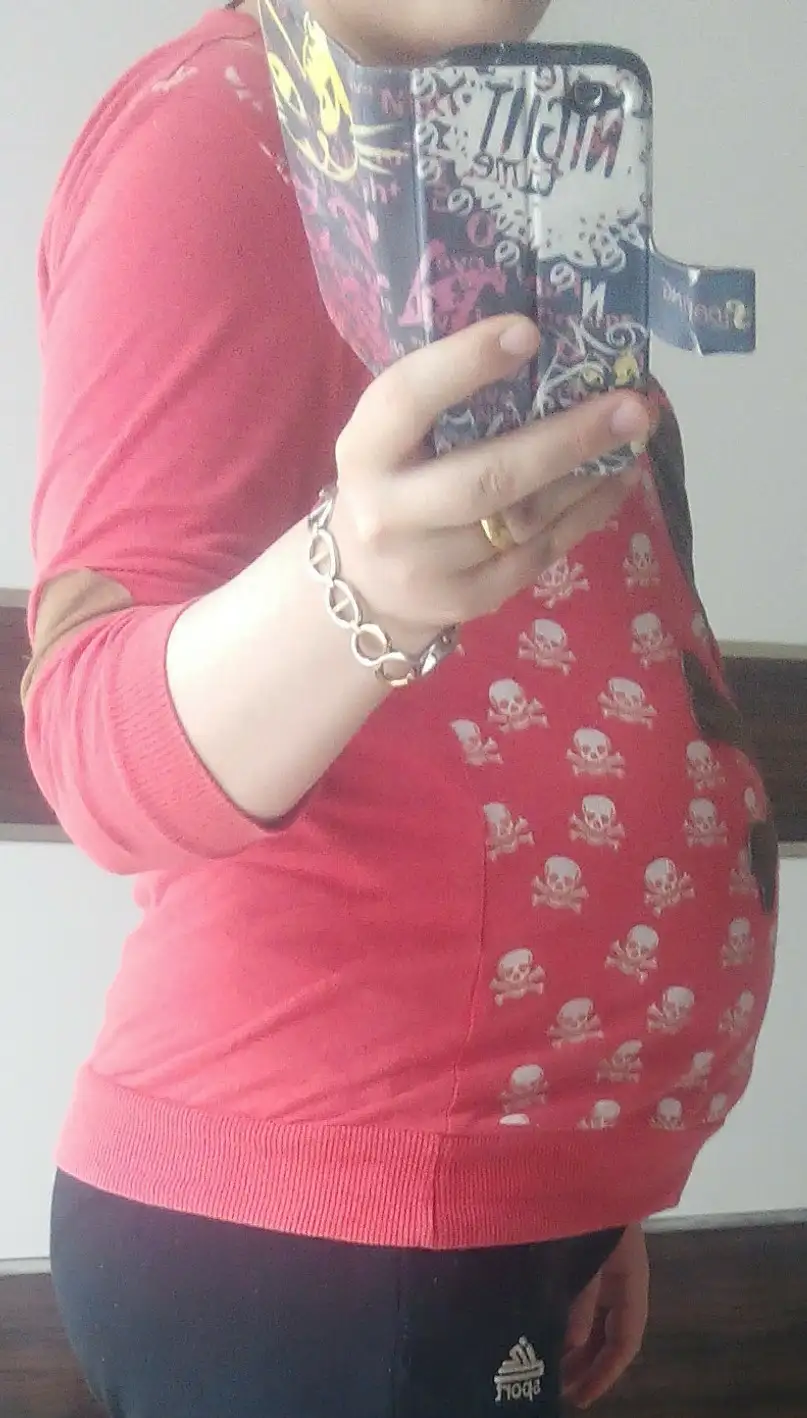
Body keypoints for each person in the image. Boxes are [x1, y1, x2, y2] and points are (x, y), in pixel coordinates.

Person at [24, 2, 778, 1415]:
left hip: (468, 1199)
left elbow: (571, 659)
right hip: (325, 1224)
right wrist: (348, 585)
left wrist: (582, 1180)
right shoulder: (223, 133)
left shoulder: (485, 158)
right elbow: (87, 739)